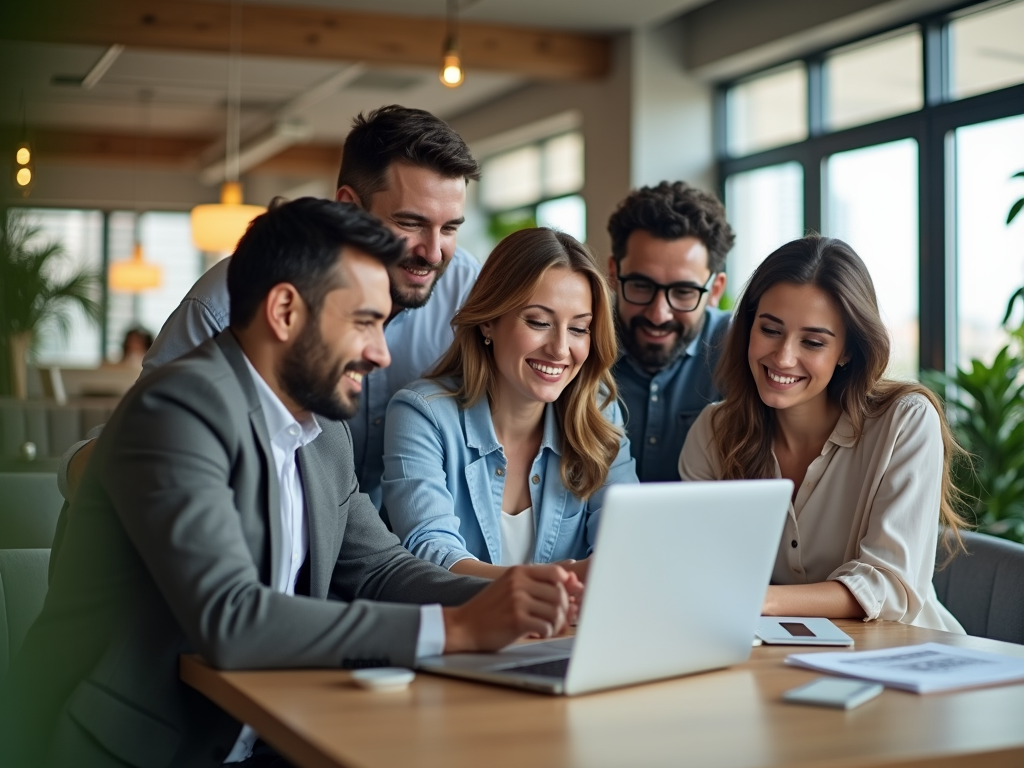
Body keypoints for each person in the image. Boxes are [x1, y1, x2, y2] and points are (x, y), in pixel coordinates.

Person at [0, 200, 580, 768]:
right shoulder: (176, 409)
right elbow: (233, 618)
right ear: (284, 311)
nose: (381, 354)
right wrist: (455, 627)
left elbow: (380, 569)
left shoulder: (322, 428)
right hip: (137, 745)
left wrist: (518, 598)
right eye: (364, 323)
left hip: (263, 733)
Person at [64, 104, 482, 510]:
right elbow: (136, 449)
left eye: (449, 228)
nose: (432, 252)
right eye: (410, 223)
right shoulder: (228, 301)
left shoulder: (465, 287)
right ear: (349, 206)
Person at [678, 235, 965, 631]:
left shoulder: (905, 421)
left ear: (847, 350)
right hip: (776, 659)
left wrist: (761, 600)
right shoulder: (714, 432)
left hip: (908, 658)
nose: (783, 357)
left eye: (812, 342)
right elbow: (698, 569)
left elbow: (891, 585)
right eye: (770, 330)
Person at [382, 228, 637, 580]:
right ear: (489, 320)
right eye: (538, 322)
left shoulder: (599, 412)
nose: (561, 349)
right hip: (460, 631)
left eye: (579, 329)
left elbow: (625, 540)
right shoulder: (421, 414)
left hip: (573, 633)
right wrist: (536, 586)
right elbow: (429, 548)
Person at [607, 181, 735, 482]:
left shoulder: (743, 351)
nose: (658, 313)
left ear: (715, 290)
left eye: (683, 291)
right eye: (641, 285)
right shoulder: (574, 345)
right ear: (614, 274)